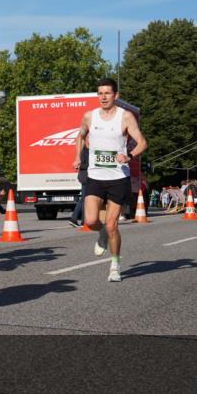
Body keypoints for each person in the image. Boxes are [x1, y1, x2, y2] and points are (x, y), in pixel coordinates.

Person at [74, 77, 147, 282]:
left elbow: (142, 142)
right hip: (95, 176)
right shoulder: (89, 116)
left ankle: (115, 265)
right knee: (90, 220)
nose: (103, 97)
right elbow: (80, 136)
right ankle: (102, 233)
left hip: (117, 177)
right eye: (100, 93)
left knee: (113, 224)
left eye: (107, 93)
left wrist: (129, 156)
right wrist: (77, 157)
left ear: (116, 95)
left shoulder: (126, 117)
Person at [68, 143, 89, 227]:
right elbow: (82, 165)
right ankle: (78, 219)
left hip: (86, 175)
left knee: (84, 199)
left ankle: (77, 219)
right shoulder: (84, 151)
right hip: (85, 176)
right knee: (85, 199)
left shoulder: (87, 150)